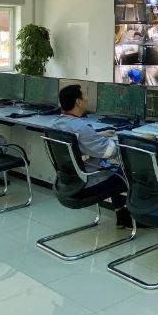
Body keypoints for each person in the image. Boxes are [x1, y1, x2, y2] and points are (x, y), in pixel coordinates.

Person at [54, 84, 133, 228]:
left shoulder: (56, 123)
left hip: (67, 182)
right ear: (78, 102)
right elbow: (110, 152)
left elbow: (77, 140)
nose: (87, 99)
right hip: (86, 184)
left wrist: (96, 135)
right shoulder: (81, 128)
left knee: (113, 169)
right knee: (127, 172)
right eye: (84, 96)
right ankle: (136, 218)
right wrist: (138, 139)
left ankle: (122, 217)